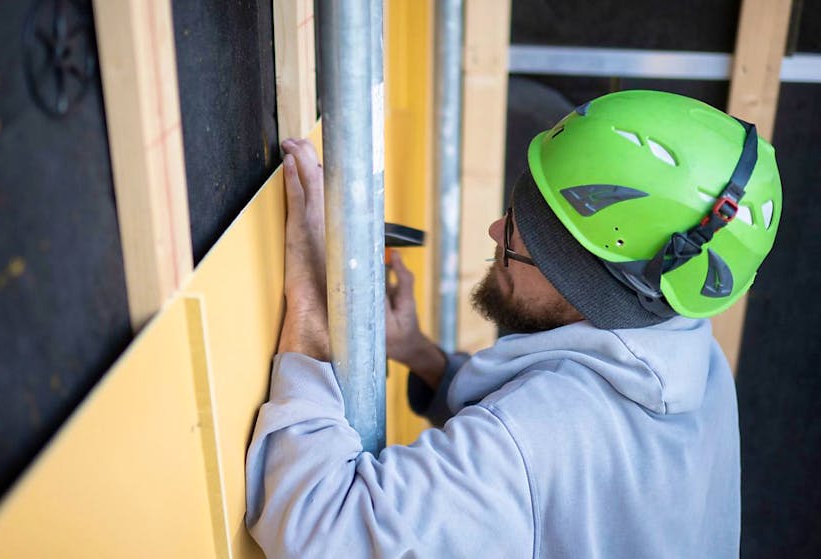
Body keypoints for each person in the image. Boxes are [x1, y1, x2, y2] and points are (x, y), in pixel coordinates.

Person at [245, 90, 782, 558]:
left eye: (518, 240)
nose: (494, 229)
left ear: (578, 285)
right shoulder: (693, 360)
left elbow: (319, 530)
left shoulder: (536, 435)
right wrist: (419, 355)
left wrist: (314, 308)